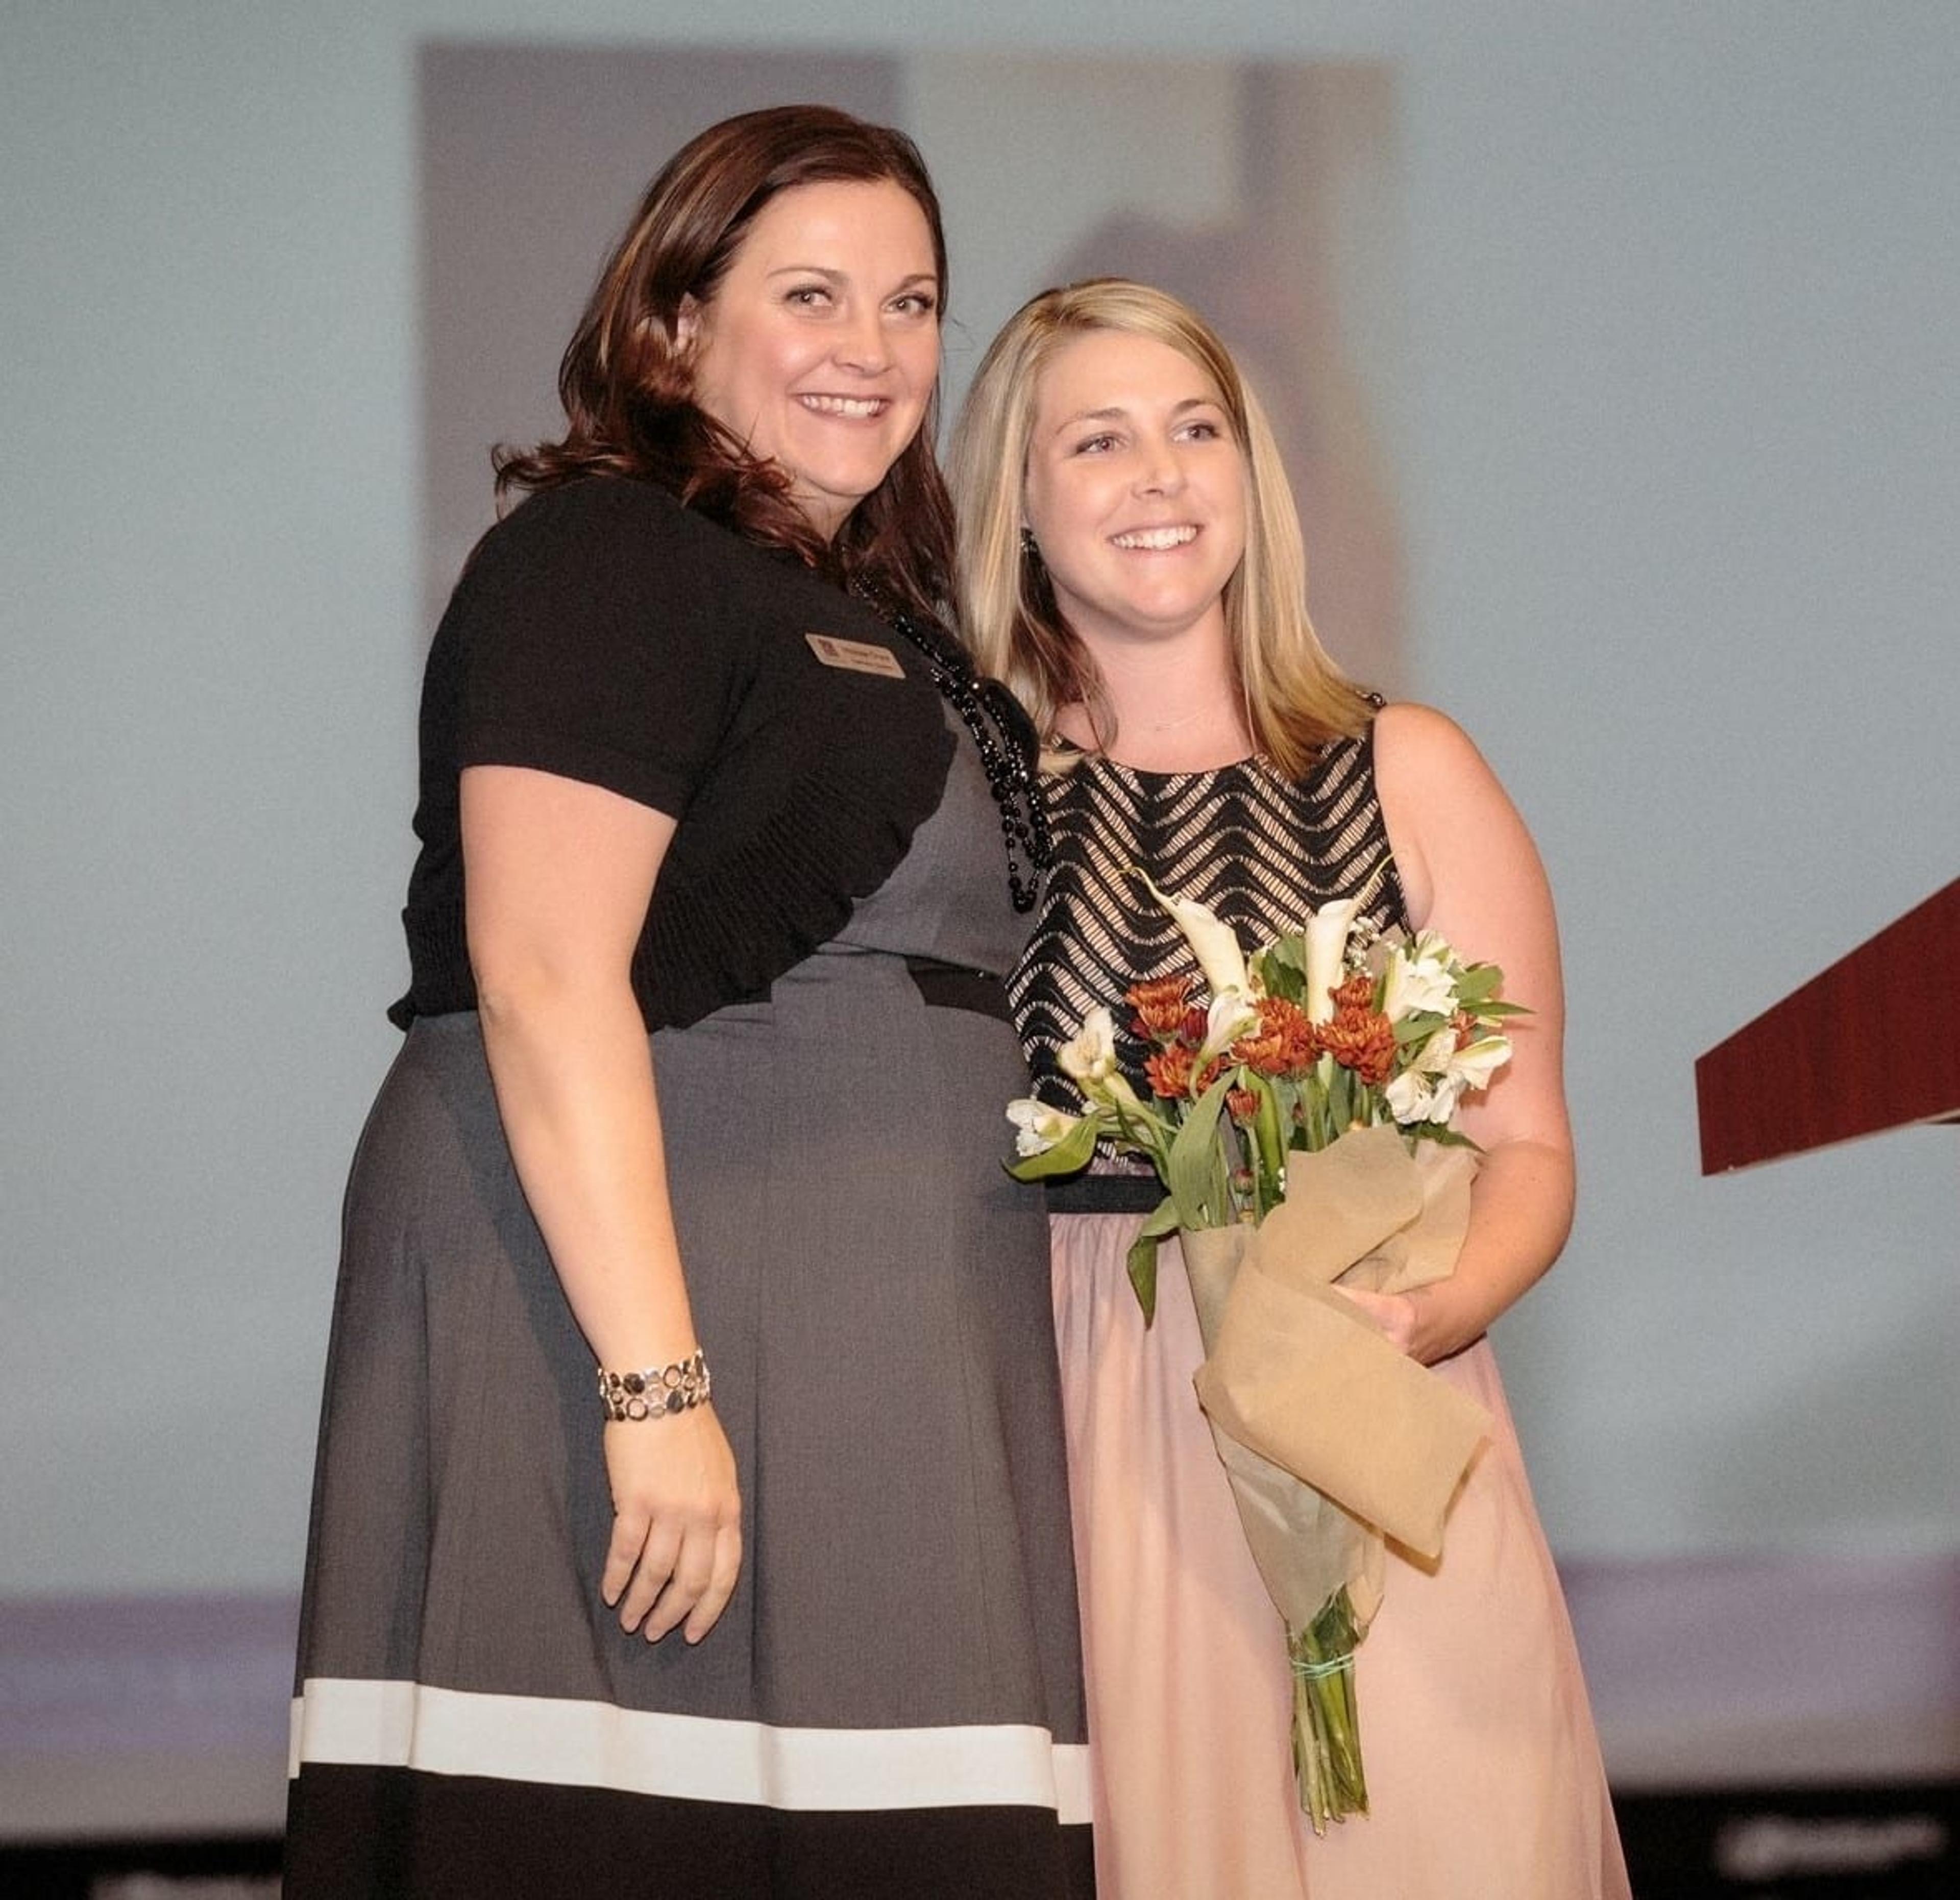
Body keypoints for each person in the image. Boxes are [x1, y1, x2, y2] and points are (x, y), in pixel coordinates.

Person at [284, 107, 1091, 1898]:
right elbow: (545, 971)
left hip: (879, 1363)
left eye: (912, 302)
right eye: (812, 294)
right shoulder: (608, 552)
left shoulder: (865, 605)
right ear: (672, 324)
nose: (873, 351)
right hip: (645, 1336)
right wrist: (655, 1388)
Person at [949, 278, 1630, 1900]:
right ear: (1020, 506)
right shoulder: (965, 797)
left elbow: (1526, 1141)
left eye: (1198, 431)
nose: (1162, 475)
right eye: (1099, 441)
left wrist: (1439, 1308)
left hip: (1376, 1417)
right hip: (1090, 1439)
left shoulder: (1413, 767)